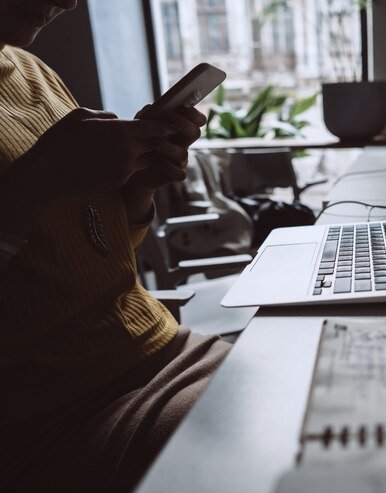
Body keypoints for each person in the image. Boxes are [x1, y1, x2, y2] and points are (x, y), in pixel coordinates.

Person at [0, 1, 232, 491]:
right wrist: (41, 178)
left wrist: (136, 189)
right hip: (62, 417)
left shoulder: (27, 68)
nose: (70, 3)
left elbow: (93, 250)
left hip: (166, 349)